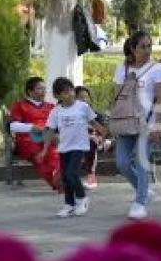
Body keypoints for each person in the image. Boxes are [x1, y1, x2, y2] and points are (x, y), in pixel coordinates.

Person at [113, 31, 161, 220]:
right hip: (127, 121)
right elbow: (118, 97)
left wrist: (158, 125)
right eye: (142, 46)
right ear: (132, 48)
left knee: (142, 161)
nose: (147, 50)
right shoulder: (122, 69)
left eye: (149, 46)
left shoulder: (157, 68)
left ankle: (140, 202)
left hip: (148, 122)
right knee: (121, 162)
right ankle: (143, 190)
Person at [39, 78, 106, 218]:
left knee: (71, 174)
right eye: (65, 92)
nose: (69, 94)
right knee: (65, 177)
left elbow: (93, 122)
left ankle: (82, 199)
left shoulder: (82, 106)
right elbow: (50, 131)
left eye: (71, 90)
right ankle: (69, 204)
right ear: (57, 96)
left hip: (79, 146)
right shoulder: (56, 111)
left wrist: (103, 133)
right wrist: (44, 150)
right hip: (64, 148)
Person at [8, 77, 60, 190]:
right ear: (30, 91)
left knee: (54, 153)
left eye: (44, 88)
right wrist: (32, 127)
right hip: (27, 140)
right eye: (39, 88)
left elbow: (59, 124)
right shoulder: (19, 105)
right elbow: (12, 126)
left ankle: (61, 180)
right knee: (39, 154)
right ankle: (58, 183)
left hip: (48, 138)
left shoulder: (50, 106)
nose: (43, 91)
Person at [74, 86, 108, 190]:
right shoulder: (70, 115)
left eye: (86, 97)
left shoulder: (97, 115)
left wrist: (100, 138)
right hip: (75, 142)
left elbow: (104, 132)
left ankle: (91, 178)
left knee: (91, 142)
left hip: (96, 142)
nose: (84, 100)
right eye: (80, 97)